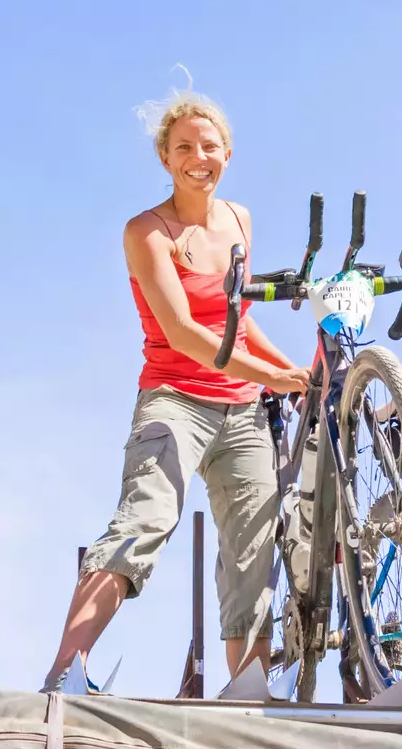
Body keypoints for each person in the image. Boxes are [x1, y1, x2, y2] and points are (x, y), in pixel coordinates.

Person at [43, 91, 309, 691]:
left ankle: (250, 694)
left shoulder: (239, 221)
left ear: (228, 154)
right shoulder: (146, 232)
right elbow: (186, 333)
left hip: (242, 411)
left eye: (209, 147)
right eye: (184, 147)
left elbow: (238, 318)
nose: (198, 157)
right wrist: (274, 377)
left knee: (252, 554)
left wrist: (295, 373)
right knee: (146, 518)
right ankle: (65, 674)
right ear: (165, 157)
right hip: (174, 398)